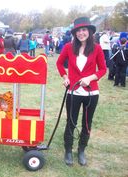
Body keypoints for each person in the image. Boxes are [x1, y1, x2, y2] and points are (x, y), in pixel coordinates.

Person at [56, 17, 106, 166]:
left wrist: (91, 78)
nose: (81, 33)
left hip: (91, 93)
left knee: (87, 122)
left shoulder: (97, 48)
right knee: (71, 121)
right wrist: (65, 76)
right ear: (75, 33)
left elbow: (103, 69)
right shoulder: (68, 47)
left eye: (84, 30)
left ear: (90, 31)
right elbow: (59, 63)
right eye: (78, 30)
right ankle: (68, 150)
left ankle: (82, 150)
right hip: (73, 92)